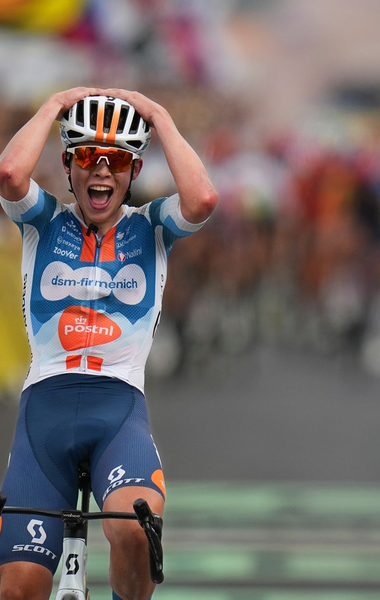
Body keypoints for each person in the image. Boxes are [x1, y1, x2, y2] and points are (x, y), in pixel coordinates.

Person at [0, 88, 218, 600]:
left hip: (117, 407)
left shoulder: (153, 227)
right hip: (44, 414)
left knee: (135, 530)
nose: (101, 171)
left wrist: (161, 115)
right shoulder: (42, 221)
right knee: (18, 590)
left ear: (134, 171)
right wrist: (53, 106)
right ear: (68, 165)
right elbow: (10, 174)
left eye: (117, 161)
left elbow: (203, 198)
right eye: (87, 159)